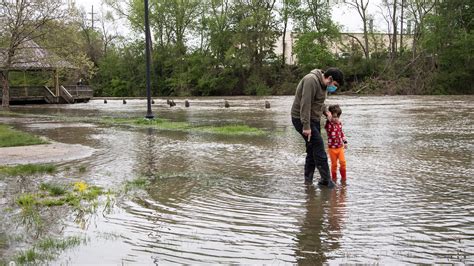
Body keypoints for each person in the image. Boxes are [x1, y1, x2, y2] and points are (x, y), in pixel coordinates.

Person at [291, 67, 344, 188]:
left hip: (313, 119)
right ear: (329, 78)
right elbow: (306, 103)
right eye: (334, 84)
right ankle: (326, 180)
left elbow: (319, 101)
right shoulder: (311, 80)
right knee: (319, 145)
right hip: (301, 118)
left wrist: (326, 112)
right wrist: (306, 126)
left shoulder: (323, 85)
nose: (334, 88)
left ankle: (308, 181)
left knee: (312, 149)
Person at [324, 104, 348, 185]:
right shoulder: (329, 125)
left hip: (340, 147)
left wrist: (345, 142)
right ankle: (334, 180)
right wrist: (328, 117)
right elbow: (328, 122)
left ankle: (344, 179)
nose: (335, 119)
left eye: (337, 117)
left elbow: (341, 133)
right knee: (334, 165)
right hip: (332, 149)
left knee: (343, 162)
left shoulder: (339, 124)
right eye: (334, 117)